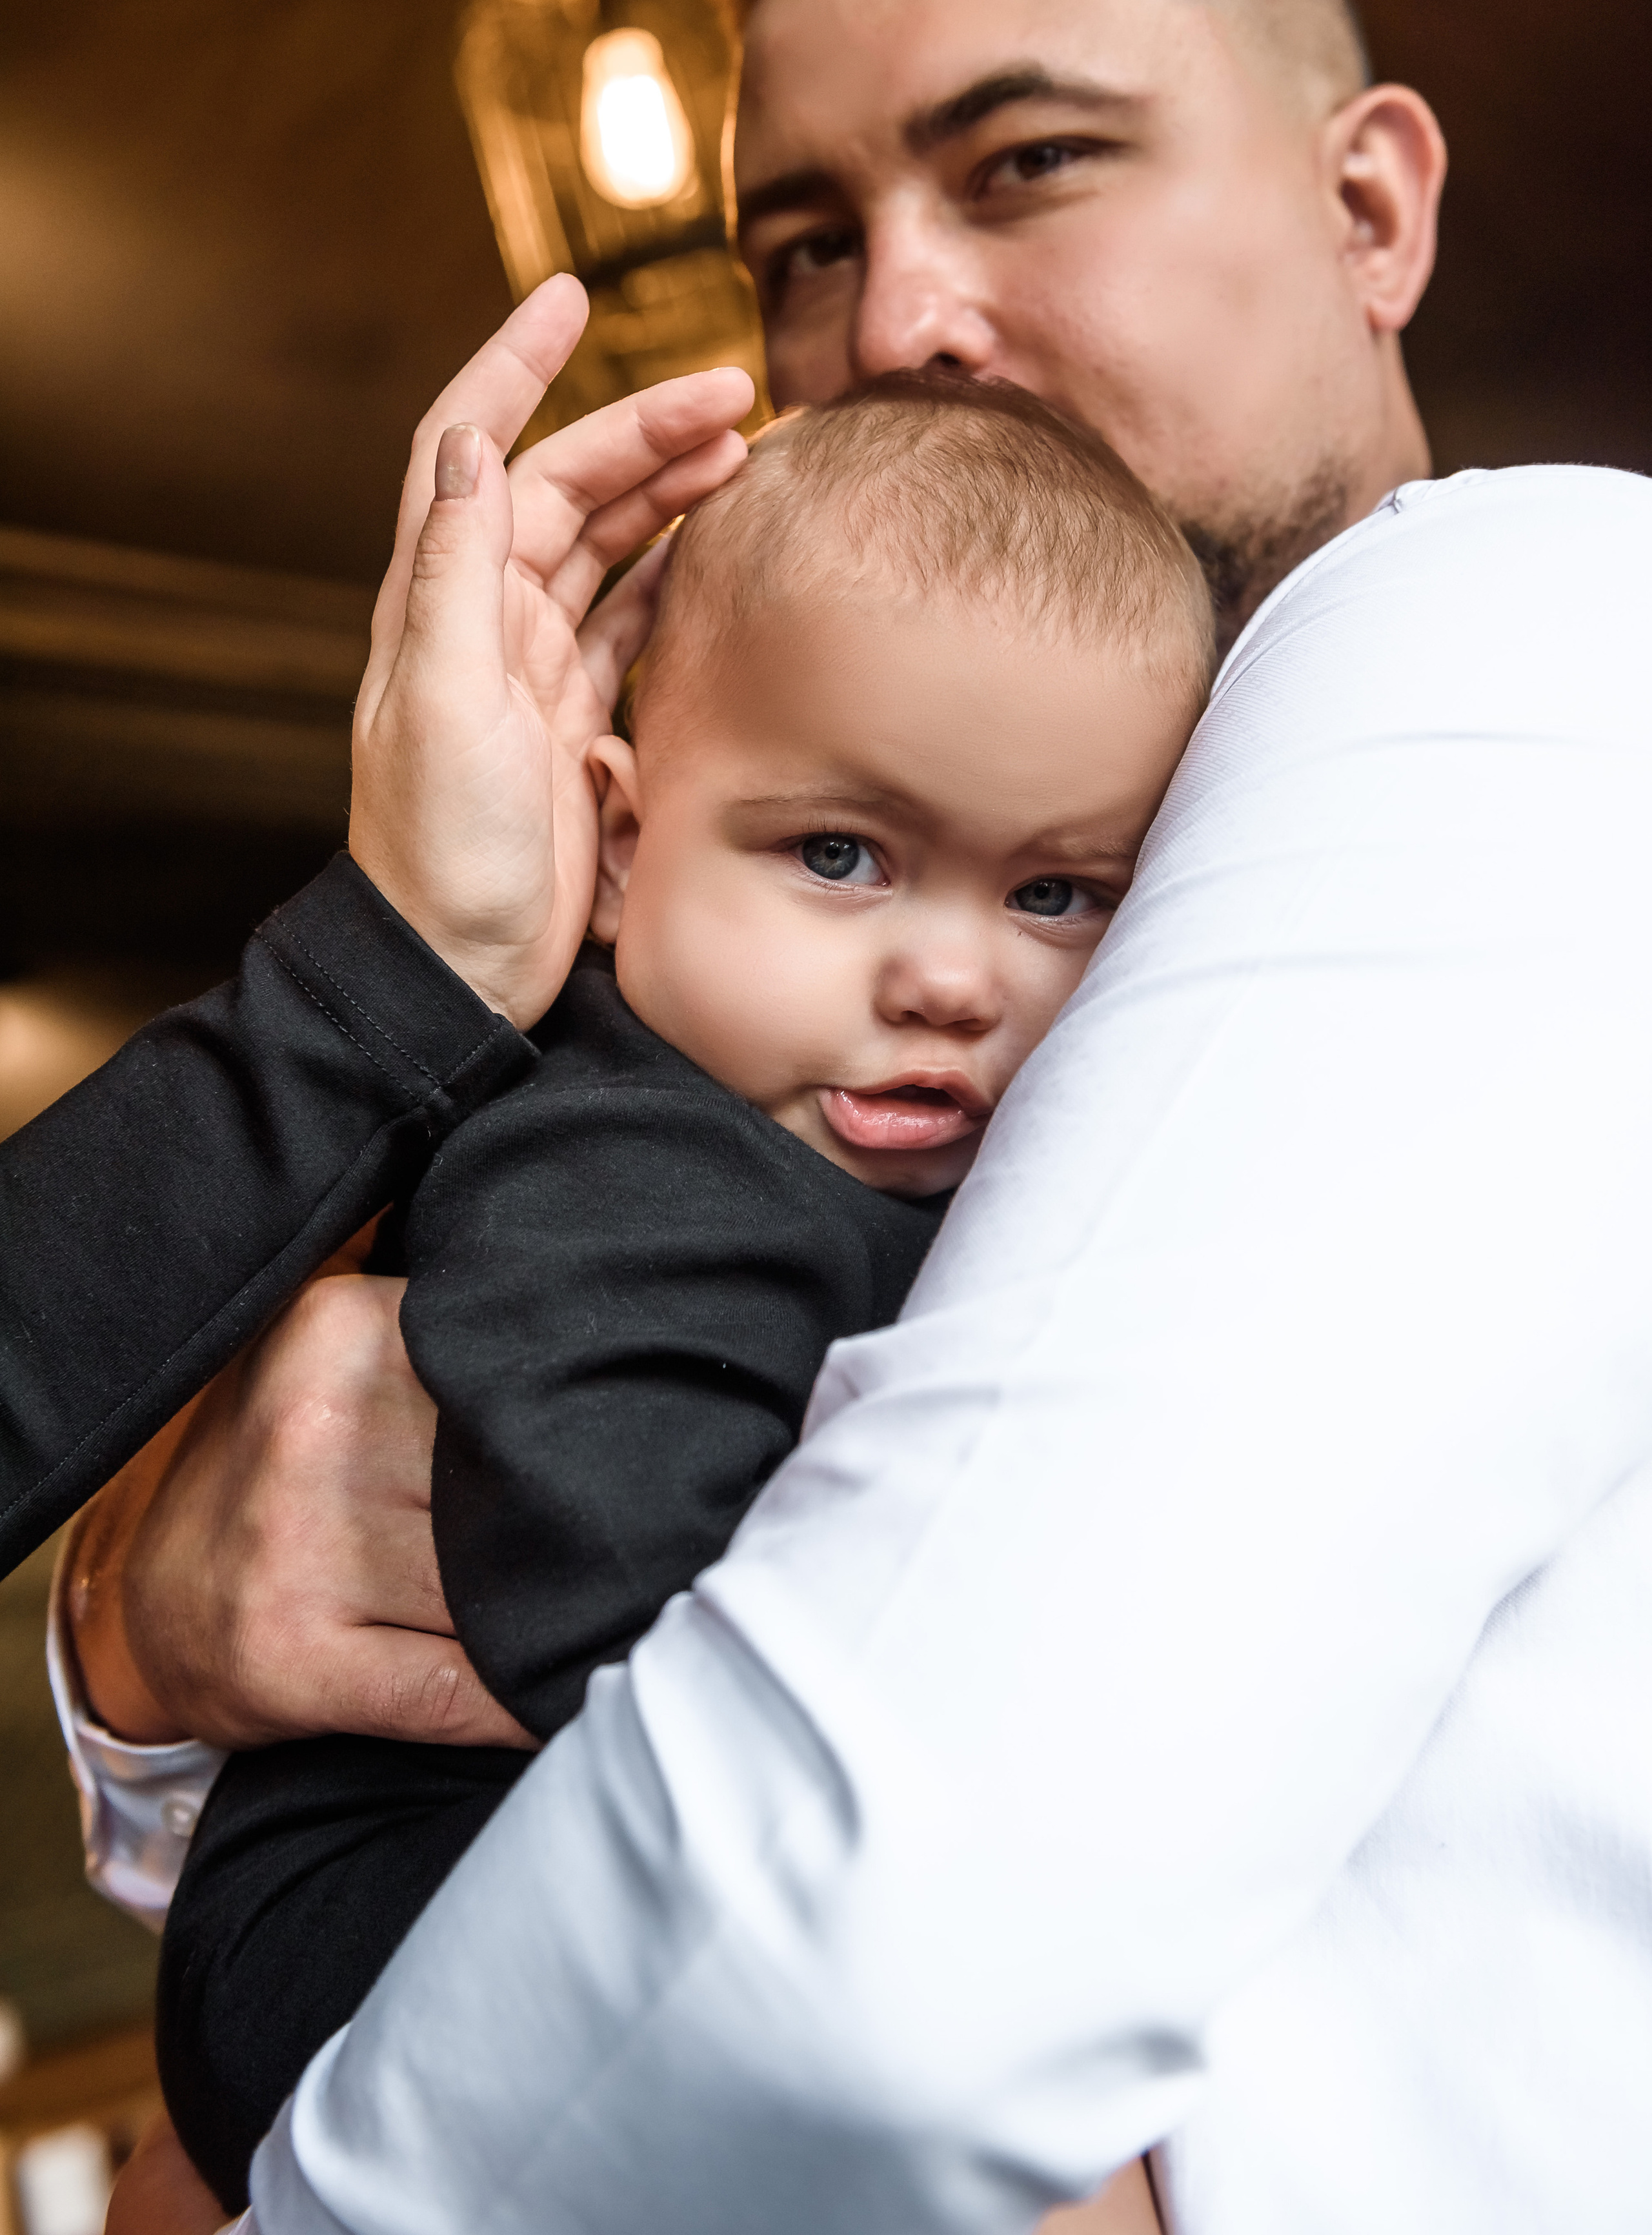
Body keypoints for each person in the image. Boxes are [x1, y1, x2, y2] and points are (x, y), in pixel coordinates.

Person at [41, 0, 1652, 2229]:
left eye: (1028, 163)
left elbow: (840, 1947)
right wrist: (129, 1642)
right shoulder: (710, 1066)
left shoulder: (1517, 637)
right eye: (802, 238)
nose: (887, 317)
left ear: (1369, 205)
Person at [154, 376, 1213, 2214]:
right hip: (359, 1947)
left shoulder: (923, 1170)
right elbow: (626, 1604)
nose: (951, 976)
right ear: (625, 842)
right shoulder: (621, 1161)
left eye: (1057, 892)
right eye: (839, 857)